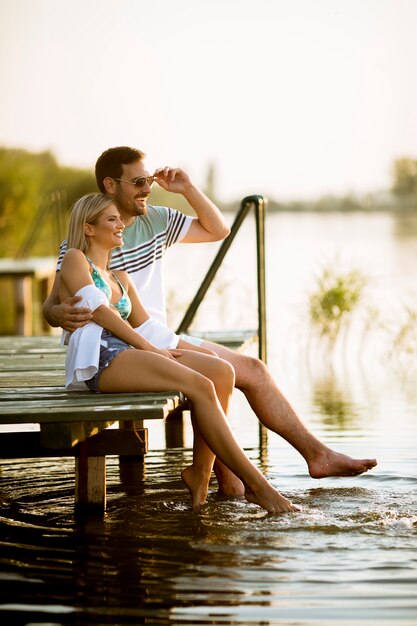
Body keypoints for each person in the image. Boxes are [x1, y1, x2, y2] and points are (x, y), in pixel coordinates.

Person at [43, 146, 377, 496]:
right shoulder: (82, 243)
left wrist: (187, 188)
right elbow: (53, 305)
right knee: (219, 374)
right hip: (124, 346)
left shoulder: (155, 220)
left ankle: (302, 459)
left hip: (156, 334)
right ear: (110, 184)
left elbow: (218, 230)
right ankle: (234, 483)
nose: (147, 187)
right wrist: (58, 314)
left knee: (250, 369)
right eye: (139, 181)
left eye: (148, 180)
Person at [59, 191, 300, 514]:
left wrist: (182, 349)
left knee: (219, 371)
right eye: (112, 219)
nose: (121, 226)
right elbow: (99, 311)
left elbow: (149, 329)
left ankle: (199, 474)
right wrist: (151, 350)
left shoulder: (121, 278)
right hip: (98, 358)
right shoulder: (76, 259)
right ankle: (259, 487)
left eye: (120, 219)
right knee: (199, 386)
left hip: (128, 350)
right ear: (89, 228)